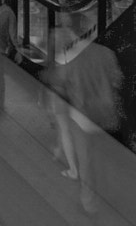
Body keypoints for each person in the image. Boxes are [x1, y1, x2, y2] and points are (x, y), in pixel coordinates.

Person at [51, 15, 122, 215]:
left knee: (87, 162)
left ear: (73, 32)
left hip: (83, 118)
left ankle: (89, 203)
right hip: (107, 117)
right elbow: (117, 82)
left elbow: (60, 85)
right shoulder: (108, 53)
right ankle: (111, 197)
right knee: (106, 158)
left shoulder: (70, 56)